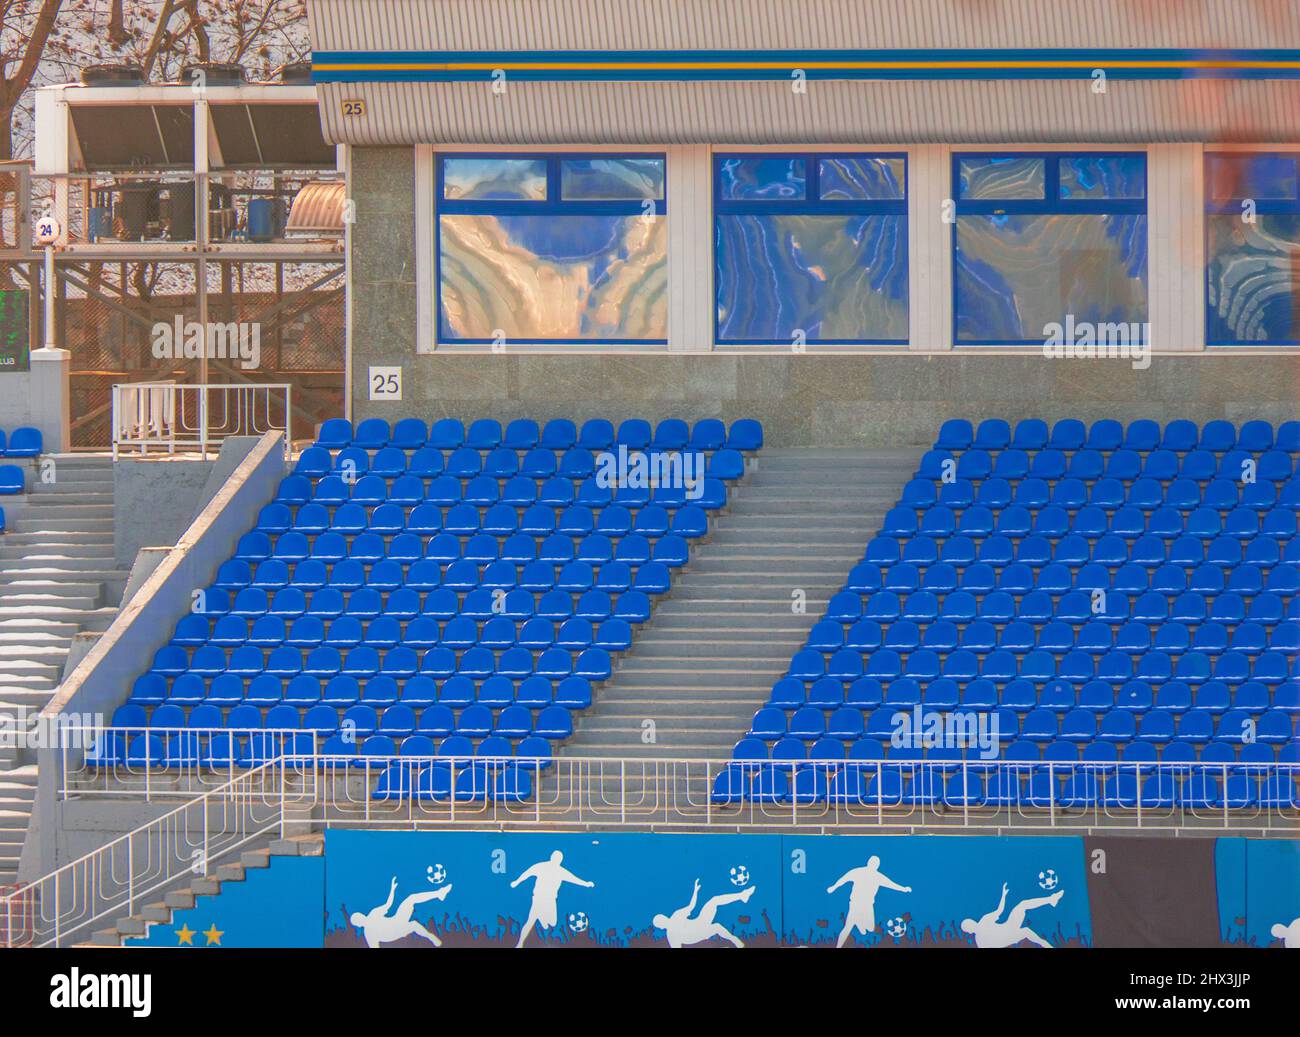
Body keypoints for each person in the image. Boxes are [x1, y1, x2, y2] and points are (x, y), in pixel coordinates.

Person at [511, 850, 595, 948]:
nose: (556, 859)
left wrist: (586, 883)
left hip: (550, 900)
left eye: (558, 858)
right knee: (530, 921)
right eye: (555, 857)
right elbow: (527, 873)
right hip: (539, 898)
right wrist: (516, 881)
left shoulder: (561, 871)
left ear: (560, 860)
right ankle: (520, 944)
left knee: (552, 922)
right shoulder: (541, 866)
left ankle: (541, 918)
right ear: (551, 857)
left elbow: (574, 879)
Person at [826, 855, 912, 947]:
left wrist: (904, 889)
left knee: (870, 928)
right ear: (869, 863)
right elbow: (844, 879)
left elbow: (892, 884)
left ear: (877, 866)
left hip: (867, 906)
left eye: (875, 863)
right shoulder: (858, 872)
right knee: (847, 927)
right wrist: (833, 887)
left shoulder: (878, 877)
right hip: (855, 904)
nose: (873, 865)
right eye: (872, 862)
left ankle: (859, 924)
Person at [350, 874, 453, 948]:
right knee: (413, 924)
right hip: (395, 931)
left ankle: (439, 894)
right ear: (359, 924)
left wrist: (392, 889)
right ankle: (431, 937)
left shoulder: (373, 914)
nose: (362, 918)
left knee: (411, 900)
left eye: (360, 916)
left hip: (397, 921)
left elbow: (388, 904)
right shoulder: (369, 933)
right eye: (359, 920)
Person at [653, 878, 755, 948]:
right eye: (662, 922)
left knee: (714, 905)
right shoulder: (671, 935)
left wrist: (695, 891)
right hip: (698, 932)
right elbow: (691, 906)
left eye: (663, 919)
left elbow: (691, 906)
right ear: (662, 926)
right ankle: (733, 940)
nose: (665, 921)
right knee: (716, 925)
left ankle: (742, 896)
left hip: (699, 923)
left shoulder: (676, 916)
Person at [960, 882, 1063, 948]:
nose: (972, 924)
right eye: (969, 925)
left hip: (1009, 927)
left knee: (1022, 905)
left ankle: (1051, 899)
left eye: (971, 923)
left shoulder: (984, 920)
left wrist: (1003, 895)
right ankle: (1044, 944)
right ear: (970, 930)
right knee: (1025, 931)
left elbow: (1000, 910)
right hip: (1008, 936)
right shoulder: (980, 942)